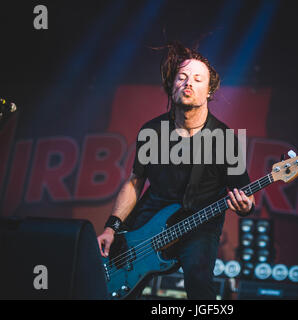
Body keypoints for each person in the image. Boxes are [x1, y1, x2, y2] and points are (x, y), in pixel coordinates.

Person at [97, 42, 255, 300]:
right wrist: (111, 228)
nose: (188, 83)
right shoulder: (152, 130)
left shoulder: (226, 139)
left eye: (197, 78)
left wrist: (246, 206)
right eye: (181, 77)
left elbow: (245, 194)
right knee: (122, 284)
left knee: (200, 283)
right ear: (172, 87)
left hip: (199, 224)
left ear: (209, 91)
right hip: (150, 219)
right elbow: (135, 181)